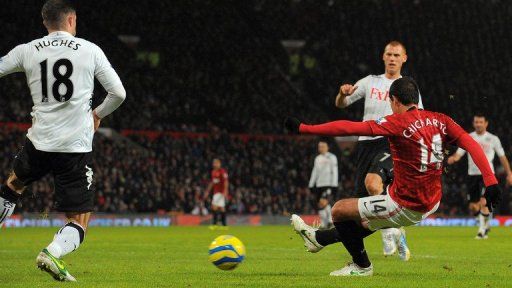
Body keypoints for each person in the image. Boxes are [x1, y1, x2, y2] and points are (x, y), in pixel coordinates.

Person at [284, 77, 501, 276]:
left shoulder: (396, 123)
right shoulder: (440, 119)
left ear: (395, 100)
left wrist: (305, 128)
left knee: (339, 210)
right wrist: (491, 181)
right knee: (365, 224)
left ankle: (362, 266)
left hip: (406, 204)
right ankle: (319, 239)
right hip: (432, 200)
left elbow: (348, 127)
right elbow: (471, 144)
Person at [0, 0, 126, 281]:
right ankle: (53, 251)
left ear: (45, 22)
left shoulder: (27, 50)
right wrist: (98, 114)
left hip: (38, 141)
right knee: (80, 219)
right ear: (72, 20)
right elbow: (118, 93)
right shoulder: (90, 50)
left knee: (12, 185)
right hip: (74, 147)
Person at [333, 41, 423, 259]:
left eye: (396, 55)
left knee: (373, 183)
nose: (392, 58)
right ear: (383, 57)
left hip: (391, 141)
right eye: (389, 54)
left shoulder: (409, 87)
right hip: (365, 143)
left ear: (404, 58)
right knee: (362, 208)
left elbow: (418, 120)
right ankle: (393, 232)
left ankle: (389, 232)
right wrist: (342, 93)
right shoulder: (370, 81)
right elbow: (341, 105)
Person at [446, 113, 512, 239]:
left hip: (488, 174)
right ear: (473, 123)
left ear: (486, 123)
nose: (478, 124)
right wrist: (453, 158)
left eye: (481, 122)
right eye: (476, 122)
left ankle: (482, 231)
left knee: (484, 201)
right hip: (472, 175)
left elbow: (502, 158)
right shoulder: (468, 137)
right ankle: (485, 223)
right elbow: (459, 154)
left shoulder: (493, 139)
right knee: (473, 206)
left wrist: (509, 173)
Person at [308, 141, 338, 228]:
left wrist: (334, 185)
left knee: (324, 202)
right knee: (319, 204)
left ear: (327, 147)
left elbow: (334, 171)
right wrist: (311, 184)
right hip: (319, 184)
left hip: (328, 183)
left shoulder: (332, 157)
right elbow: (315, 171)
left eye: (322, 146)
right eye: (319, 146)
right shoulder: (317, 158)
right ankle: (324, 223)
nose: (320, 148)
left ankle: (329, 220)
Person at [205, 158, 229, 229]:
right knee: (221, 207)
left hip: (220, 192)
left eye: (216, 163)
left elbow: (226, 181)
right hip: (216, 192)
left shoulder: (222, 172)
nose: (215, 164)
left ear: (219, 164)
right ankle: (224, 225)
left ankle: (215, 224)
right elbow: (212, 182)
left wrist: (225, 191)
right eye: (214, 163)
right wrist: (207, 191)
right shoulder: (213, 172)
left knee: (214, 206)